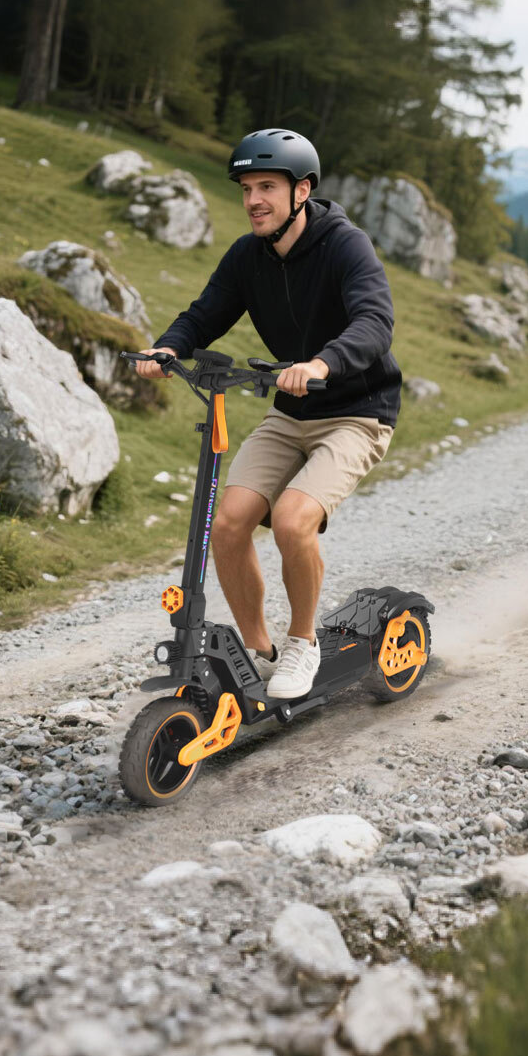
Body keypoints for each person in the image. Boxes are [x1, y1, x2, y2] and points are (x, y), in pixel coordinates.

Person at [136, 129, 400, 700]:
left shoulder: (345, 246)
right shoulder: (248, 256)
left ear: (301, 191)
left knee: (291, 520)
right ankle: (261, 653)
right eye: (247, 188)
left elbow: (375, 323)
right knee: (227, 524)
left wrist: (323, 363)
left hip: (357, 412)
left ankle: (303, 643)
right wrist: (168, 347)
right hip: (290, 412)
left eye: (267, 187)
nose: (254, 199)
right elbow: (203, 316)